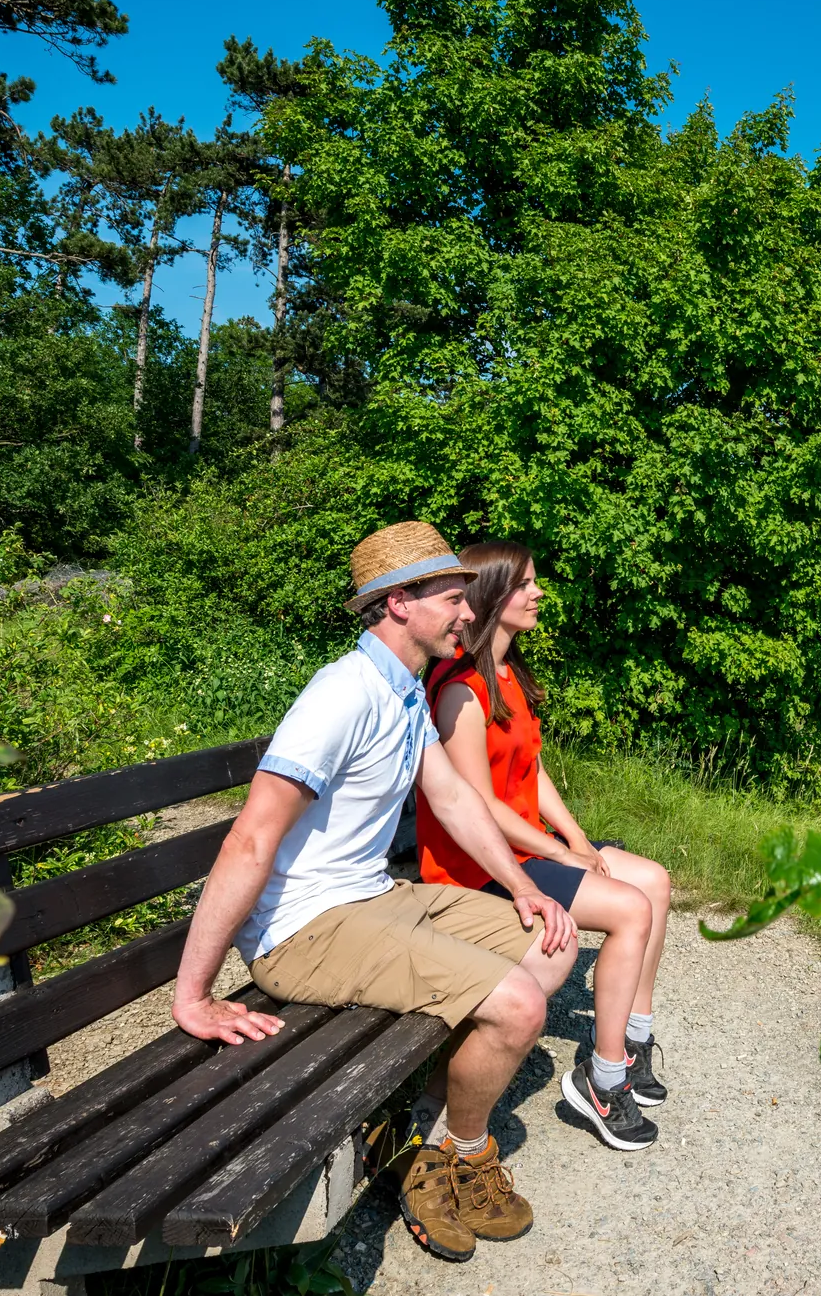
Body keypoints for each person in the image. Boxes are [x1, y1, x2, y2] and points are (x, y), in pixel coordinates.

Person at [170, 522, 580, 1264]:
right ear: (398, 603)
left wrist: (524, 886)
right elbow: (251, 837)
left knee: (552, 938)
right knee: (521, 1003)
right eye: (454, 598)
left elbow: (452, 797)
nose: (468, 611)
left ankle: (427, 1134)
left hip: (371, 898)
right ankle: (448, 1160)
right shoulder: (342, 696)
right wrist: (193, 993)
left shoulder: (403, 692)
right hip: (307, 928)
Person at [416, 540, 673, 1153]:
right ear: (491, 596)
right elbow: (478, 809)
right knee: (629, 909)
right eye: (525, 584)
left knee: (654, 881)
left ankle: (632, 1042)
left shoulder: (509, 675)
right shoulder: (460, 690)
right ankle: (601, 1080)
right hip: (478, 869)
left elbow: (533, 772)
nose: (537, 593)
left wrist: (580, 841)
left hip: (531, 846)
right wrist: (562, 855)